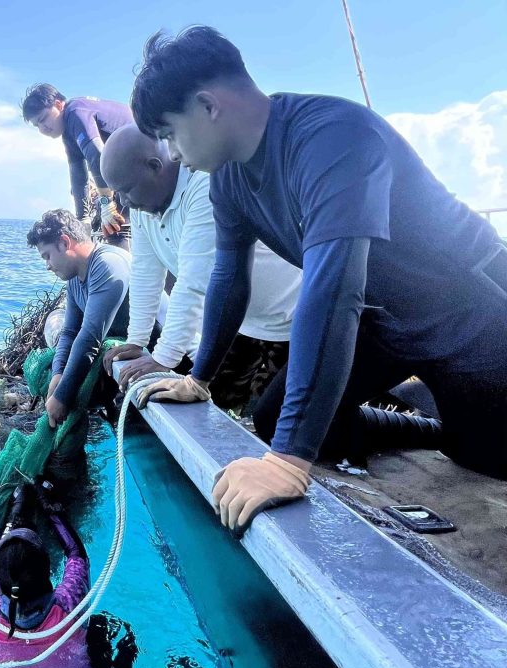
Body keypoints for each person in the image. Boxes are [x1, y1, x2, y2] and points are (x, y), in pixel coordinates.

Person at [129, 25, 507, 535]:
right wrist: (199, 378)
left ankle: (453, 419)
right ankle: (430, 422)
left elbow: (334, 289)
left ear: (207, 106)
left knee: (481, 459)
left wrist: (288, 464)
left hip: (473, 313)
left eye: (171, 133)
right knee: (273, 417)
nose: (172, 152)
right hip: (389, 320)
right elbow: (228, 278)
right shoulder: (229, 180)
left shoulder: (332, 135)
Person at [99, 124, 301, 410]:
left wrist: (162, 358)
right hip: (238, 321)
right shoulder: (142, 207)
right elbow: (145, 273)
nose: (123, 201)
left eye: (127, 189)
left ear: (155, 166)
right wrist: (137, 340)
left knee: (281, 418)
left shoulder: (204, 184)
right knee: (220, 398)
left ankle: (383, 425)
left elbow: (194, 280)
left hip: (293, 319)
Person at [0, 481, 94, 668]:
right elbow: (76, 555)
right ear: (47, 573)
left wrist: (15, 515)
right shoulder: (69, 605)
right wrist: (51, 507)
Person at [27, 209, 130, 428]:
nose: (47, 265)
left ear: (65, 242)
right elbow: (70, 332)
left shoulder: (107, 263)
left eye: (47, 255)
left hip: (170, 359)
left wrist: (62, 397)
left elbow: (89, 336)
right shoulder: (75, 279)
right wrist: (58, 374)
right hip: (120, 355)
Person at [21, 84, 133, 247]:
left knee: (115, 228)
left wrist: (106, 203)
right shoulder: (68, 133)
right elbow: (78, 176)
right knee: (108, 227)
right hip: (127, 167)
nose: (42, 128)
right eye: (37, 125)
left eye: (43, 119)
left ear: (59, 105)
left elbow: (96, 155)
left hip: (145, 158)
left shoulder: (76, 112)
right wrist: (83, 219)